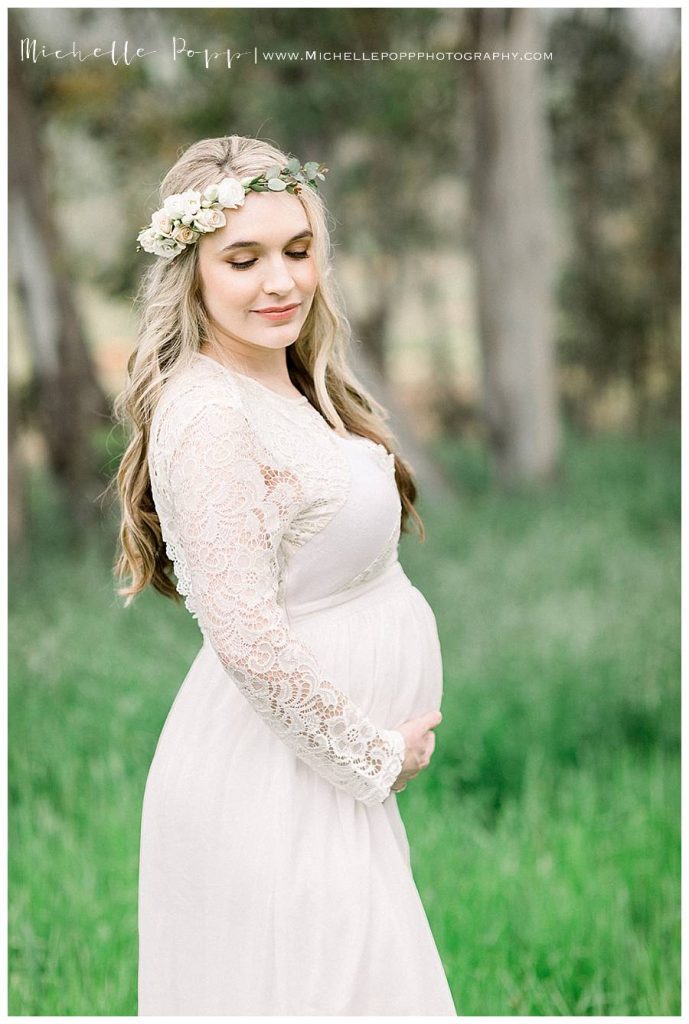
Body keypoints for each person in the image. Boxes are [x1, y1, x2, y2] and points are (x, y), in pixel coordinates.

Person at [113, 134, 457, 1016]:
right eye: (244, 259)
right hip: (269, 787)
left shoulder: (288, 382)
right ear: (191, 271)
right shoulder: (208, 416)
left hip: (316, 786)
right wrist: (376, 752)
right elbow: (246, 637)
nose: (282, 282)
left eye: (298, 251)